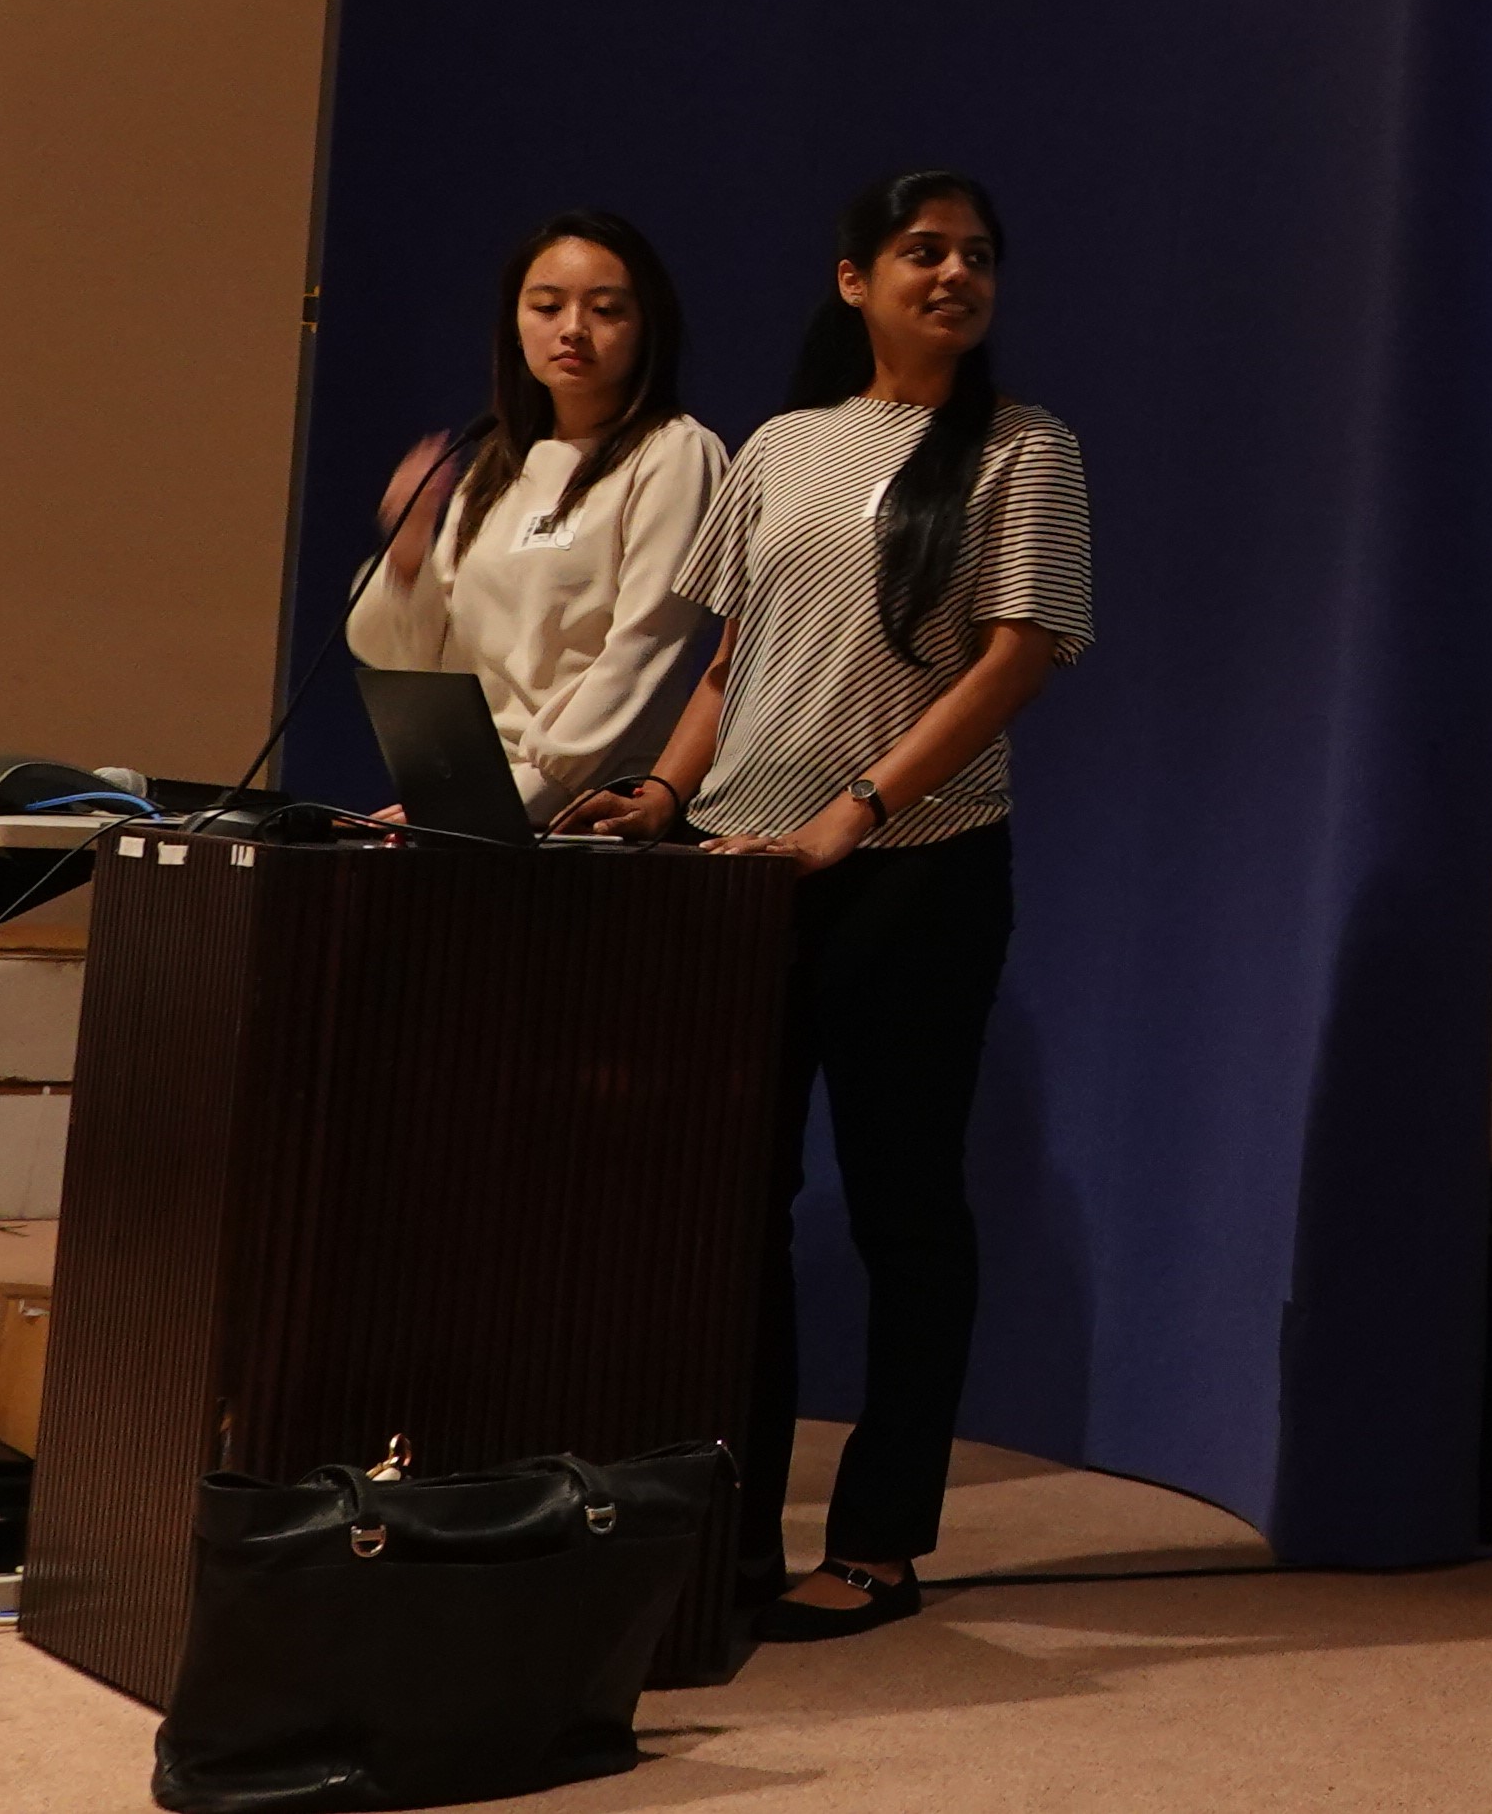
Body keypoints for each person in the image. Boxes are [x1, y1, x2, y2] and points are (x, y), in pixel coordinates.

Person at [576, 171, 1090, 1642]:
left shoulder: (1022, 449)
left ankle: (876, 1545)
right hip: (740, 872)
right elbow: (733, 665)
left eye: (978, 255)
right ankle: (725, 1530)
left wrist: (845, 819)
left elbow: (1013, 661)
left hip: (914, 872)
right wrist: (667, 797)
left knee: (902, 1207)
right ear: (853, 279)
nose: (955, 275)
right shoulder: (783, 446)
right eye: (921, 252)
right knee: (731, 1211)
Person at [342, 212, 722, 829]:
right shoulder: (498, 463)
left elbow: (644, 649)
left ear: (647, 326)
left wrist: (520, 799)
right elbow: (416, 657)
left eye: (606, 310)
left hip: (589, 812)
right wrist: (409, 555)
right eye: (547, 307)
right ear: (515, 326)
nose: (573, 329)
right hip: (476, 797)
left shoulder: (674, 452)